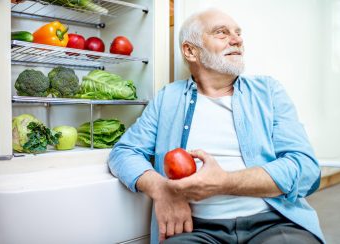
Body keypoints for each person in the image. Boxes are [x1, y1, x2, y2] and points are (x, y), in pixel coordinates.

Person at [109, 8, 324, 244]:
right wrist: (161, 189)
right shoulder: (167, 98)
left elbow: (305, 169)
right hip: (196, 230)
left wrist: (225, 182)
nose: (237, 39)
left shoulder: (268, 92)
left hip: (273, 222)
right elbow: (124, 152)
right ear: (190, 50)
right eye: (222, 33)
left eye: (238, 33)